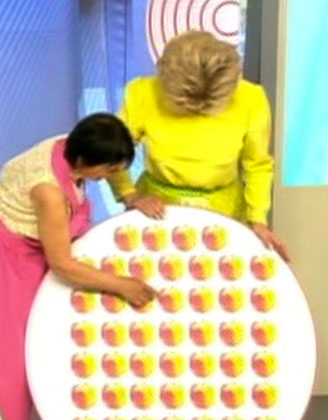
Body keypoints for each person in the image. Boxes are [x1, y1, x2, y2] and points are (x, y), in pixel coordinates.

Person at [0, 114, 157, 420]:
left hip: (27, 254)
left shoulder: (73, 146)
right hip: (0, 255)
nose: (108, 177)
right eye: (108, 169)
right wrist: (121, 285)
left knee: (29, 353)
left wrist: (132, 198)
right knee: (3, 360)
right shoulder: (48, 190)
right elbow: (62, 263)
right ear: (83, 160)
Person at [109, 30, 289, 260]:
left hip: (225, 212)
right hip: (157, 211)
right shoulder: (142, 93)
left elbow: (257, 166)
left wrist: (258, 219)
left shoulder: (251, 98)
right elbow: (109, 150)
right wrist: (130, 195)